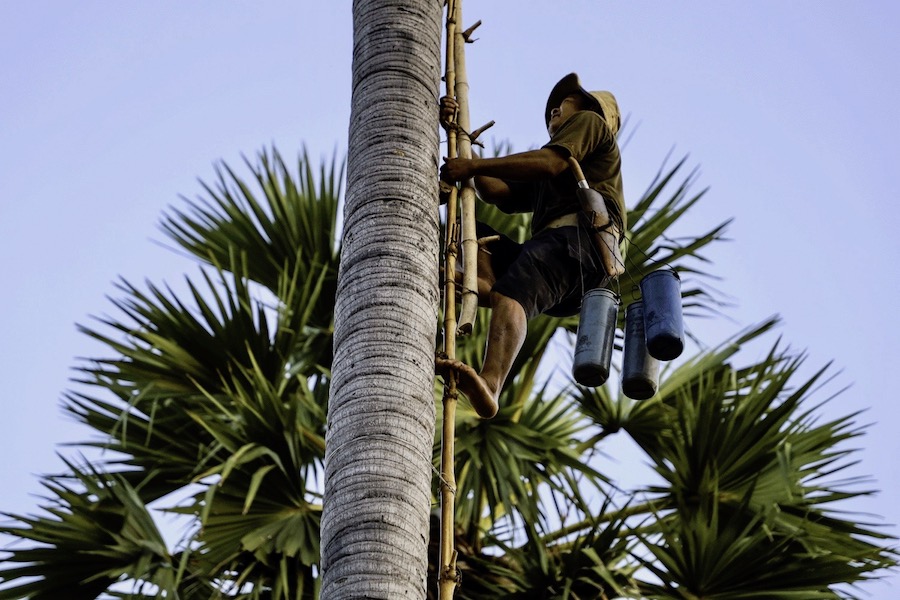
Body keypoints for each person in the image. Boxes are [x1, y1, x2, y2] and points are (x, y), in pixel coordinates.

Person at [436, 72, 625, 419]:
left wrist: (472, 164)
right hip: (560, 261)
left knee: (517, 289)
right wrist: (457, 131)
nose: (555, 107)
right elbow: (495, 191)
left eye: (565, 102)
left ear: (588, 110)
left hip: (579, 246)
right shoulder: (551, 175)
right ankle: (481, 284)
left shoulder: (590, 125)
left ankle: (491, 384)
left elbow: (549, 162)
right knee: (465, 231)